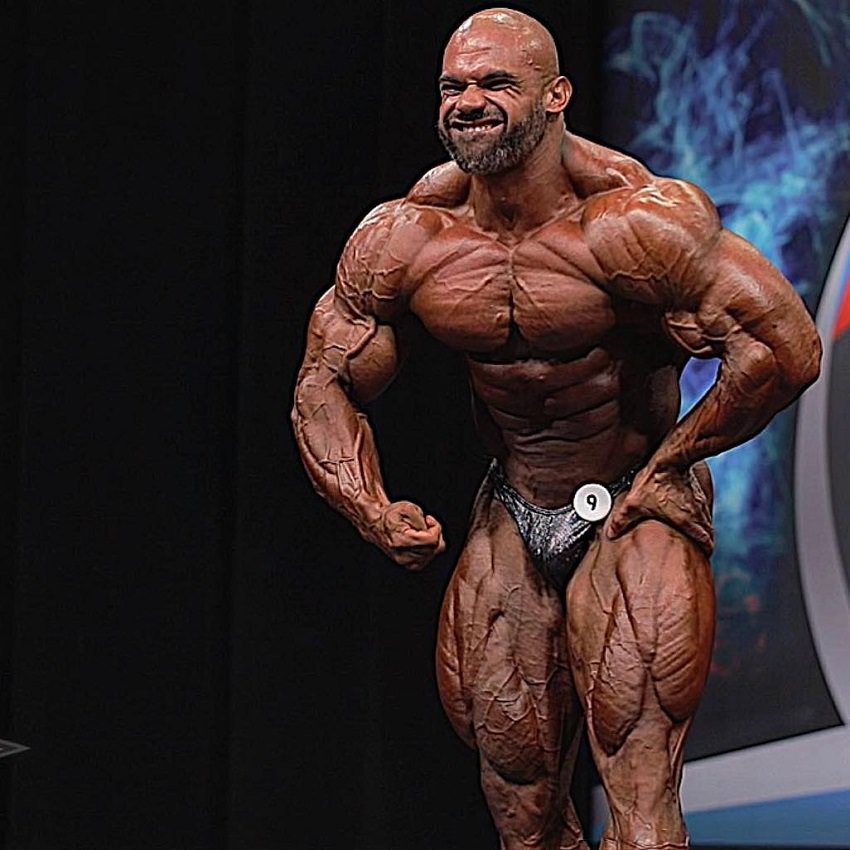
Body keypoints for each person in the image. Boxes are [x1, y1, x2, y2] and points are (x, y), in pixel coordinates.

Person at [292, 8, 821, 849]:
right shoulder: (407, 237)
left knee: (641, 811)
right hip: (513, 506)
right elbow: (323, 381)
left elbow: (784, 348)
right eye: (453, 86)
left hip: (631, 507)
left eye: (495, 82)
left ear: (556, 96)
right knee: (523, 811)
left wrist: (676, 460)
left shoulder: (635, 223)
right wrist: (370, 505)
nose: (469, 100)